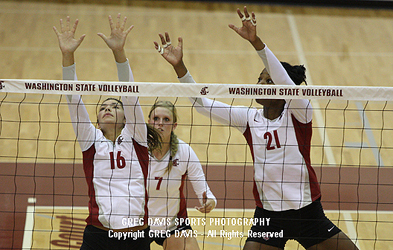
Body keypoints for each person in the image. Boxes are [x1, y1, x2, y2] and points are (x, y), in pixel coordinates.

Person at [153, 6, 359, 250]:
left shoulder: (299, 113)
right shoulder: (249, 118)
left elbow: (285, 83)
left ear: (283, 89)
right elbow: (202, 105)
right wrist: (180, 68)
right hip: (269, 217)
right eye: (259, 79)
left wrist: (257, 43)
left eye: (268, 80)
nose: (260, 84)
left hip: (307, 213)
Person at [54, 14, 161, 250]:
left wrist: (119, 53)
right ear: (97, 122)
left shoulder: (137, 139)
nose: (108, 109)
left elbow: (130, 95)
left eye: (115, 106)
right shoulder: (90, 142)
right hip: (98, 236)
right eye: (102, 108)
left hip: (135, 237)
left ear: (126, 118)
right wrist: (67, 55)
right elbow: (73, 99)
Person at [147, 100, 217, 250]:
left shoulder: (184, 151)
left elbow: (204, 190)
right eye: (156, 119)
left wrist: (209, 201)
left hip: (173, 225)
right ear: (148, 122)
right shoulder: (137, 150)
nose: (160, 123)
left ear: (174, 125)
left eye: (166, 120)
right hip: (137, 224)